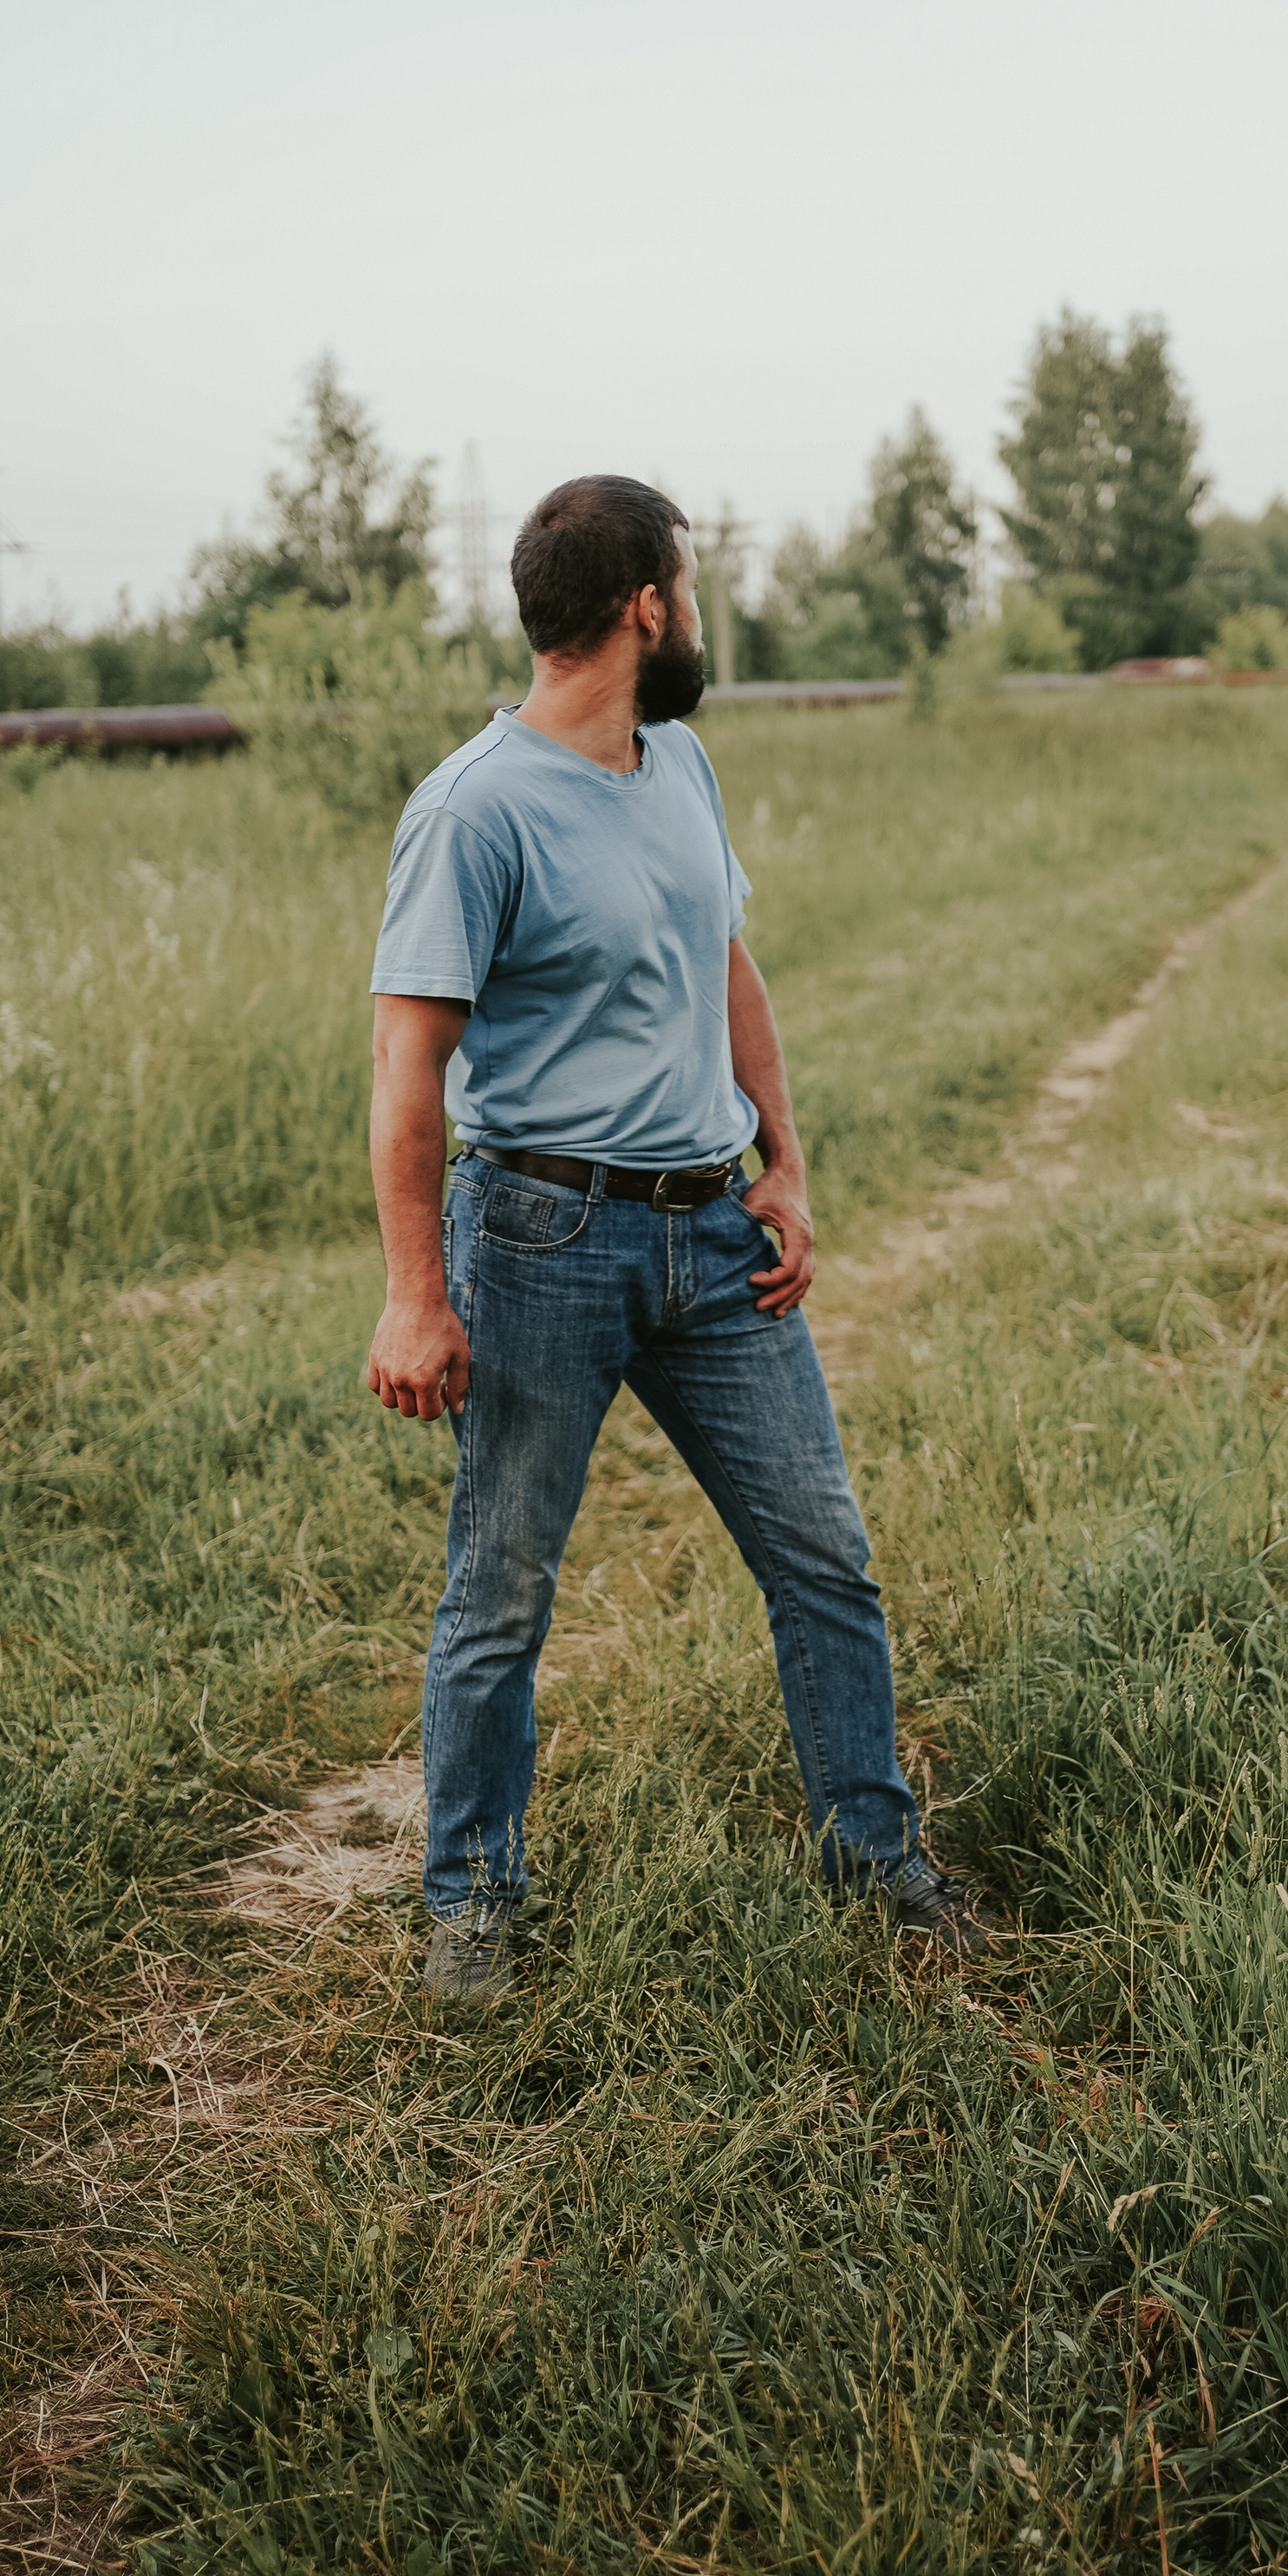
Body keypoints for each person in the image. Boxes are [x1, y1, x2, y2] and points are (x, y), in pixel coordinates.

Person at [364, 472, 995, 2001]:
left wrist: (785, 1162)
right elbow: (407, 1077)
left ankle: (872, 1848)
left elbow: (728, 966)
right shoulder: (475, 807)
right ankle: (471, 1904)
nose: (697, 615)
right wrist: (414, 1297)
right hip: (540, 1238)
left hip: (715, 1241)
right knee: (500, 1591)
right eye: (690, 589)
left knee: (825, 1557)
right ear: (646, 602)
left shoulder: (682, 764)